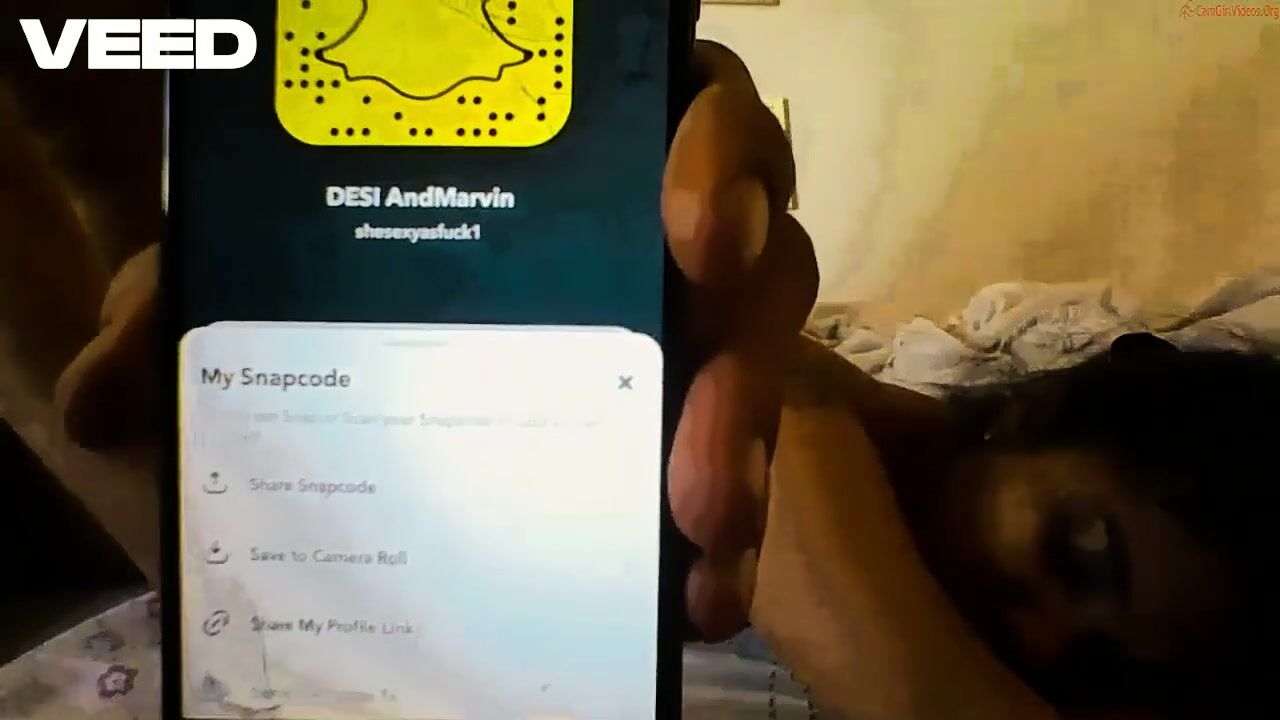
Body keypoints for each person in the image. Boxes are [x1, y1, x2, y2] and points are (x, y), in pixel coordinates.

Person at [39, 41, 1276, 720]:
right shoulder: (809, 426)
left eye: (1092, 673)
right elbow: (790, 447)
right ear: (1038, 408)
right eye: (1076, 554)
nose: (1033, 636)